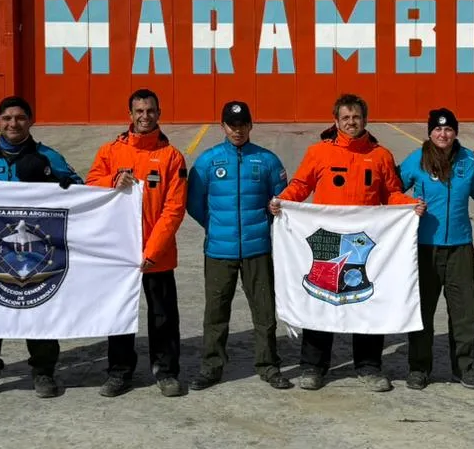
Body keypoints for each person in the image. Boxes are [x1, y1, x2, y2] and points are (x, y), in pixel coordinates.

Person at [269, 93, 424, 392]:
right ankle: (313, 366)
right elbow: (301, 185)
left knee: (365, 300)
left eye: (356, 117)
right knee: (321, 297)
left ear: (365, 120)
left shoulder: (380, 155)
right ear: (336, 121)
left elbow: (391, 193)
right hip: (327, 239)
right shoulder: (319, 153)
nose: (351, 123)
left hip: (362, 242)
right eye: (345, 118)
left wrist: (409, 205)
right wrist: (282, 202)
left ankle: (368, 366)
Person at [0, 95, 82, 400]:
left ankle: (43, 371)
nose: (13, 123)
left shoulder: (49, 157)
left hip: (39, 253)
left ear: (31, 121)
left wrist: (56, 178)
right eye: (6, 118)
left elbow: (79, 190)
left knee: (38, 306)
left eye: (20, 118)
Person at [87, 88, 189, 398]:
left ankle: (167, 372)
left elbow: (174, 208)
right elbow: (90, 185)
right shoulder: (111, 151)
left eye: (150, 111)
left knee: (162, 315)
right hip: (119, 253)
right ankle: (119, 372)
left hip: (156, 254)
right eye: (139, 111)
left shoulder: (171, 157)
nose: (145, 117)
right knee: (119, 313)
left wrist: (152, 251)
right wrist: (111, 181)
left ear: (159, 113)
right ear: (130, 115)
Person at [186, 100, 292, 391]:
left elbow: (283, 200)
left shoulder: (267, 160)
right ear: (223, 126)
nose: (237, 130)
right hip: (219, 251)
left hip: (257, 250)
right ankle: (212, 366)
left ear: (250, 126)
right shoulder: (207, 161)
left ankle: (268, 365)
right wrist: (216, 227)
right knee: (215, 314)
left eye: (243, 124)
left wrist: (268, 217)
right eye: (232, 125)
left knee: (264, 312)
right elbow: (194, 203)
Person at [398, 108, 474, 390]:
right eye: (437, 129)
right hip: (425, 247)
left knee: (464, 312)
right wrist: (407, 204)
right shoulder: (417, 160)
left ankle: (464, 368)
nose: (443, 134)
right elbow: (393, 190)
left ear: (455, 132)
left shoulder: (469, 161)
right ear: (429, 132)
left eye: (448, 129)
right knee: (422, 310)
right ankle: (419, 368)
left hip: (460, 246)